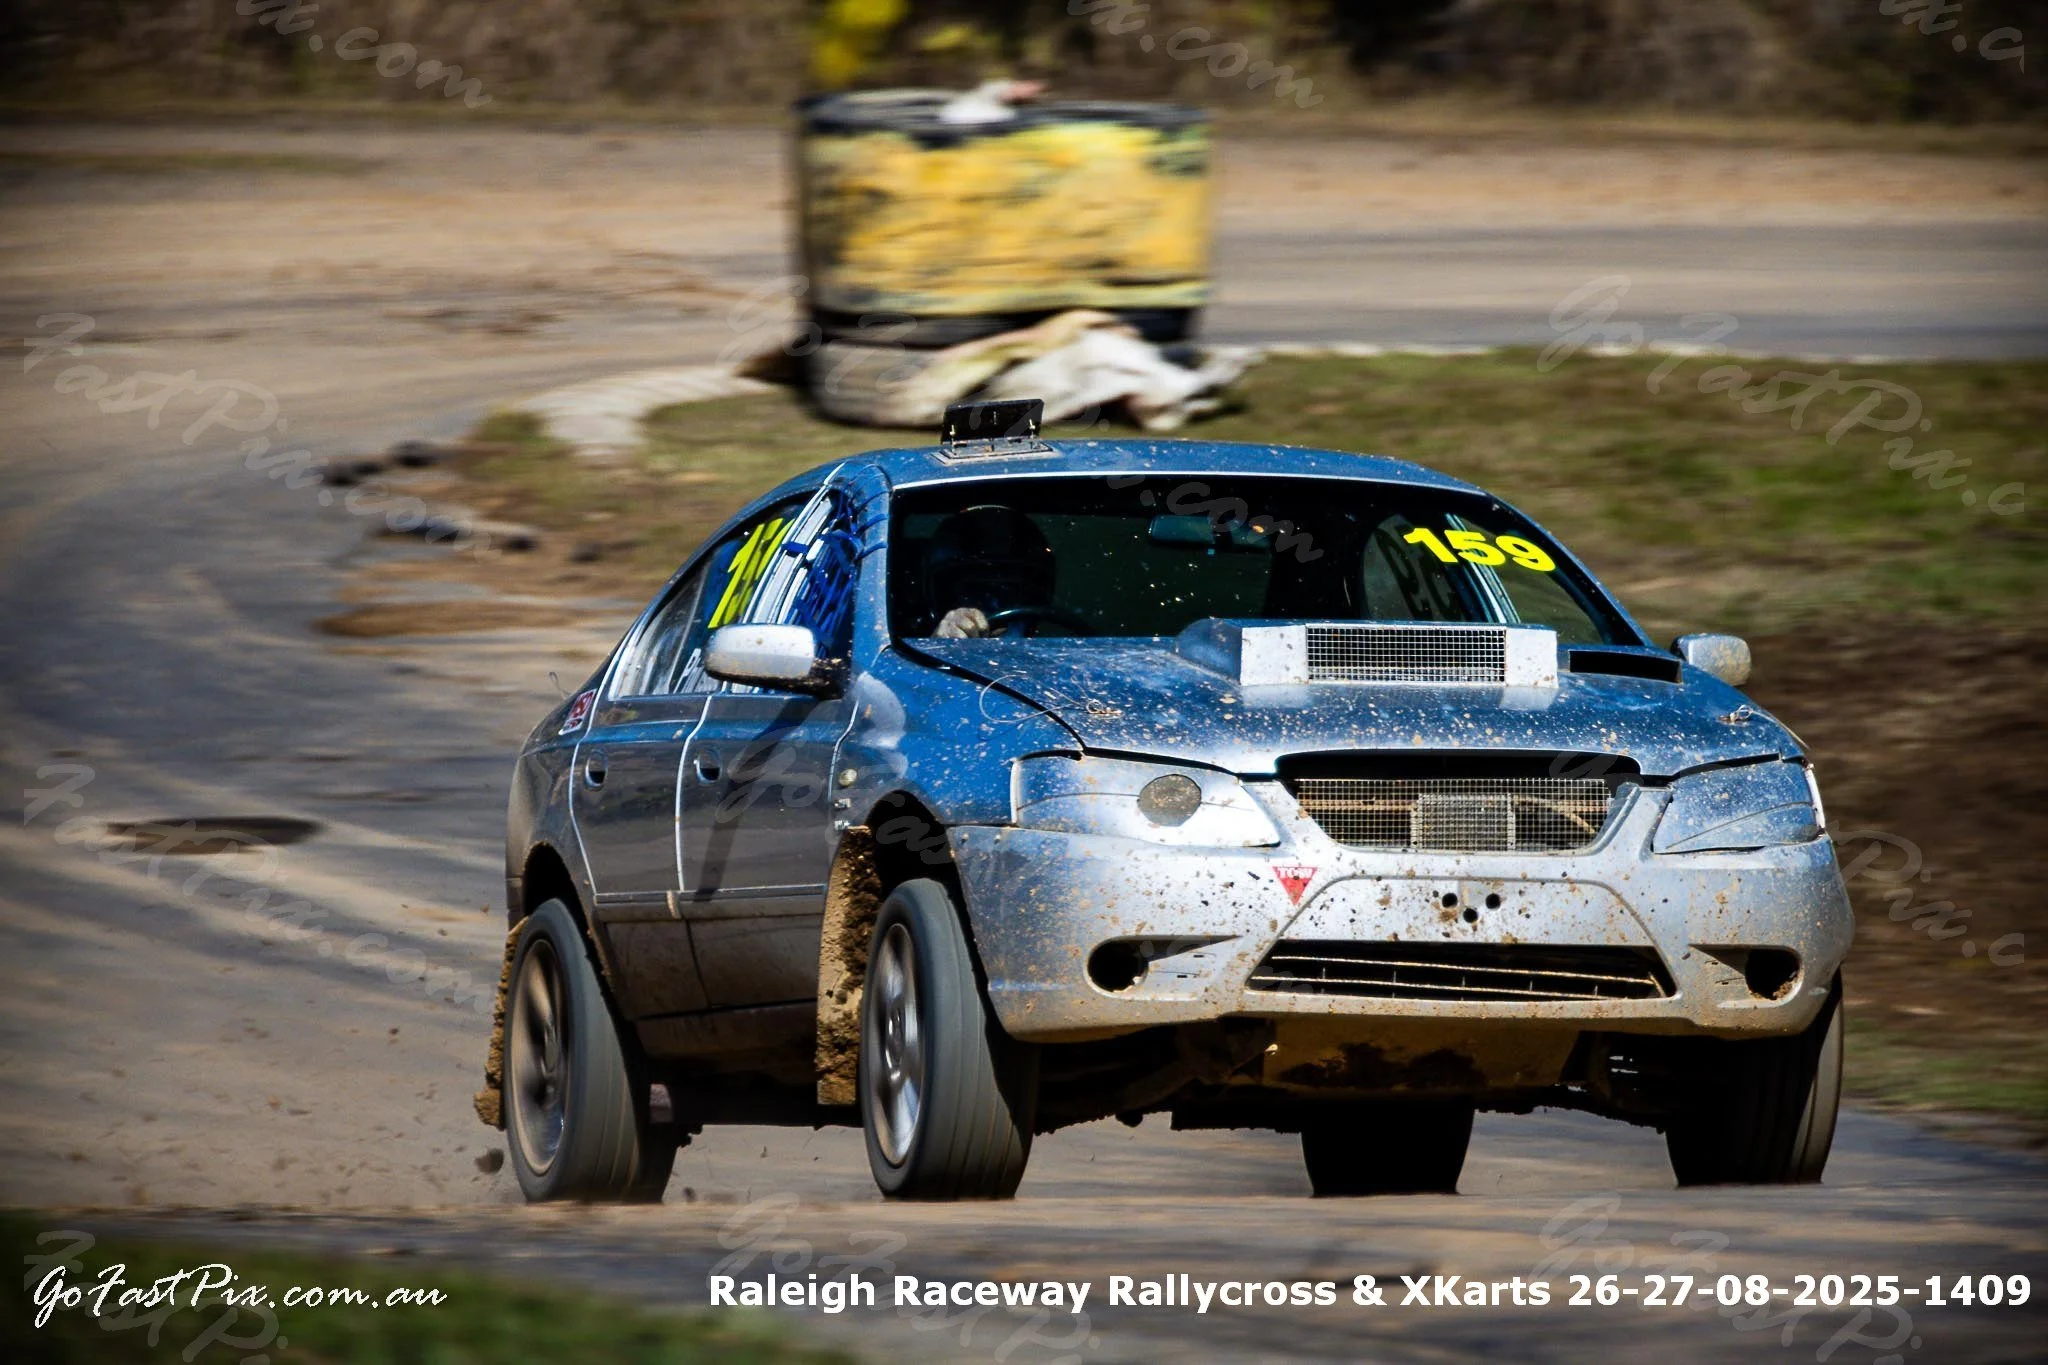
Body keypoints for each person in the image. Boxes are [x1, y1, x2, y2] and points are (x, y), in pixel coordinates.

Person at [922, 505, 1056, 638]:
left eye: (1008, 591)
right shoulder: (915, 653)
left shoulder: (1060, 651)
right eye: (976, 591)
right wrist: (941, 644)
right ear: (945, 595)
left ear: (1034, 595)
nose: (995, 604)